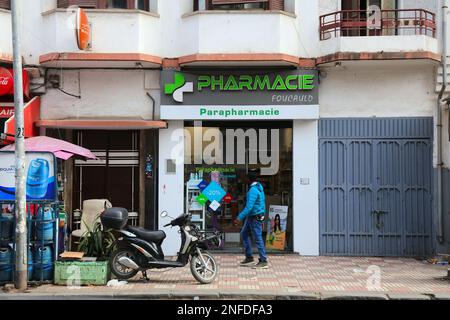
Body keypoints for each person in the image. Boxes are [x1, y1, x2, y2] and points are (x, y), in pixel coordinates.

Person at [234, 169, 268, 269]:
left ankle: (263, 260)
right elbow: (262, 203)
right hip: (252, 216)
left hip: (255, 217)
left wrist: (239, 218)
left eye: (245, 178)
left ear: (249, 179)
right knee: (244, 233)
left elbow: (249, 207)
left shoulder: (253, 190)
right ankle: (249, 257)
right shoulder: (257, 188)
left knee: (257, 238)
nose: (243, 180)